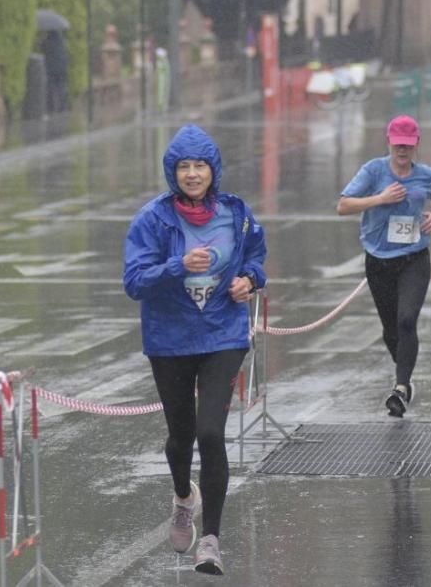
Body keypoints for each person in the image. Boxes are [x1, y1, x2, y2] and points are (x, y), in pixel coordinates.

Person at [123, 125, 267, 574]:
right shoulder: (153, 219)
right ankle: (184, 496)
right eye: (183, 167)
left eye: (199, 166)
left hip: (223, 333)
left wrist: (250, 280)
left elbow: (256, 255)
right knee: (181, 437)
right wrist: (176, 265)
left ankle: (211, 539)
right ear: (172, 171)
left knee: (210, 433)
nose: (191, 174)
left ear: (213, 170)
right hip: (169, 339)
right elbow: (133, 282)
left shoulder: (236, 213)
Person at [337, 115, 431, 418]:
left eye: (408, 146)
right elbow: (343, 205)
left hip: (414, 258)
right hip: (379, 260)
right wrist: (379, 198)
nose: (402, 151)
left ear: (416, 145)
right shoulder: (373, 171)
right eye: (398, 145)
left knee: (407, 320)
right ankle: (405, 371)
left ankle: (401, 387)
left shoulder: (425, 174)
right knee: (391, 329)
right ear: (389, 142)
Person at [41, 30, 69, 114]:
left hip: (51, 69)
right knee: (61, 87)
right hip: (62, 68)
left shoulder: (47, 41)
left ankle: (50, 107)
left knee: (50, 88)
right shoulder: (63, 42)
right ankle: (62, 106)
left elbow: (43, 49)